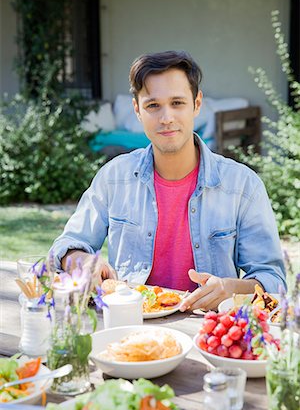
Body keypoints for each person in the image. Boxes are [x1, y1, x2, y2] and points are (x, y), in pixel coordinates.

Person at [50, 50, 285, 312]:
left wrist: (230, 288)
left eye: (177, 103)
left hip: (207, 334)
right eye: (153, 105)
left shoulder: (243, 186)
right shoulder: (114, 177)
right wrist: (81, 261)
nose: (166, 118)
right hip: (128, 326)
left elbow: (273, 281)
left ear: (197, 104)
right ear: (137, 109)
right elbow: (66, 245)